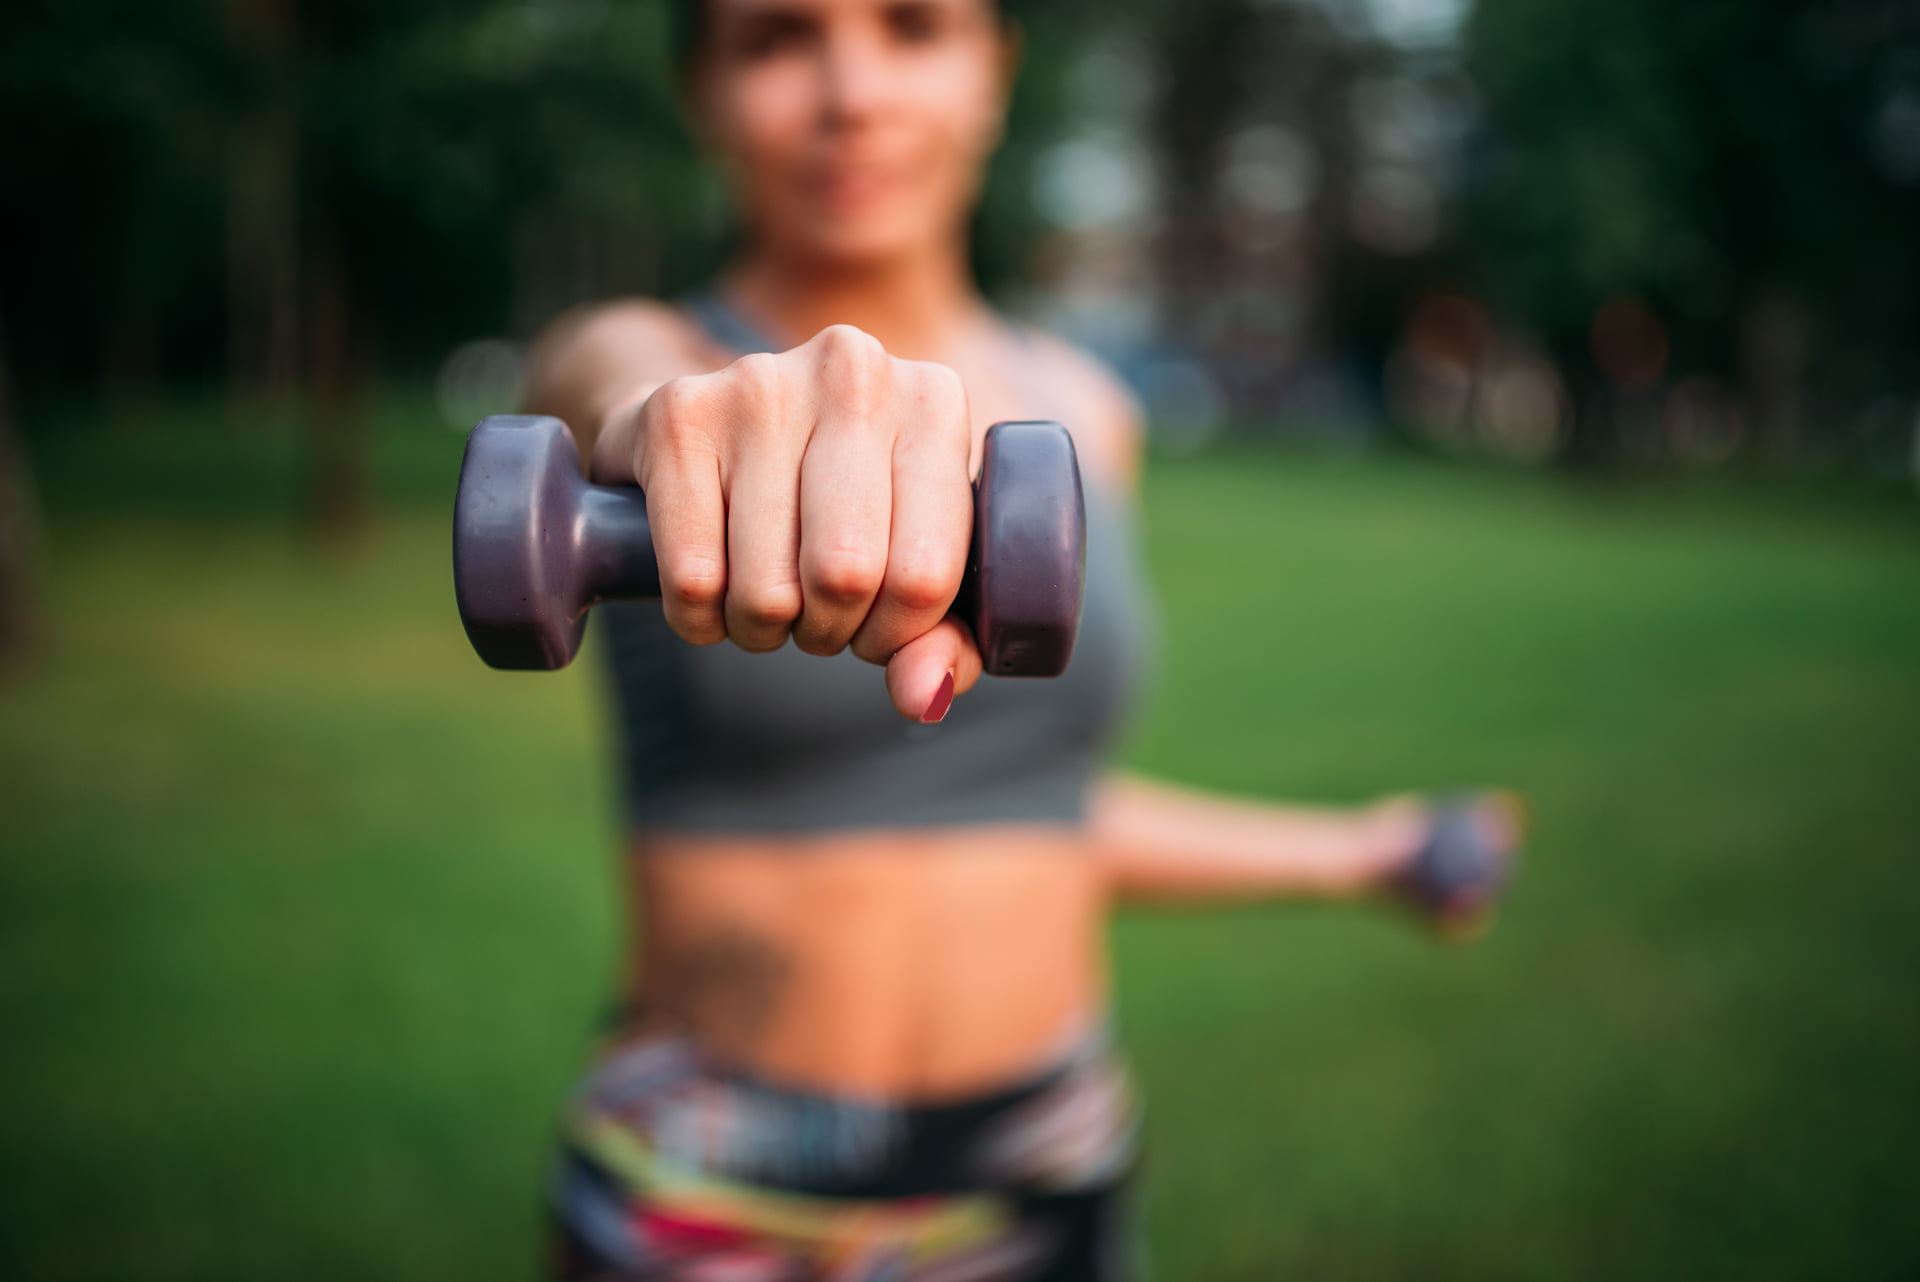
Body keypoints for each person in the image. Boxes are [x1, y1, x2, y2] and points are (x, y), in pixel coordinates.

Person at [522, 1, 1522, 1276]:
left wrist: (1360, 849)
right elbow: (587, 373)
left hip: (1051, 1150)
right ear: (701, 94)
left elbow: (1045, 808)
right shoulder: (663, 382)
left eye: (913, 27)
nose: (852, 95)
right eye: (776, 39)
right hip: (716, 1172)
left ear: (995, 72)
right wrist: (653, 411)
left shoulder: (1087, 414)